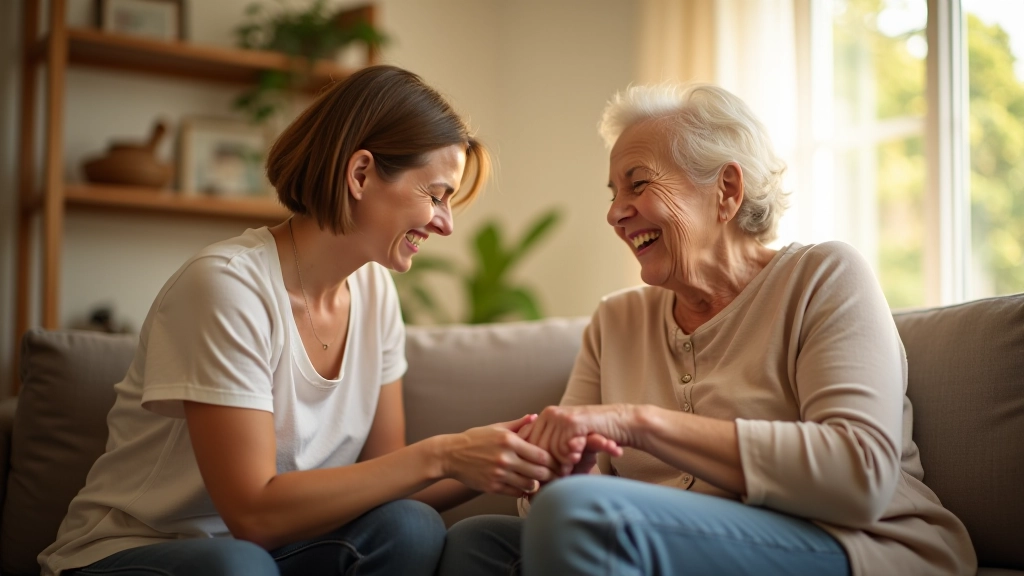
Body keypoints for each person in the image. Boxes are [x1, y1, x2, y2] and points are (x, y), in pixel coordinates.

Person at [39, 65, 561, 576]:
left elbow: (388, 481)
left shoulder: (376, 292)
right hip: (135, 553)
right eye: (436, 195)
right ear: (360, 174)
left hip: (272, 554)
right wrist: (443, 453)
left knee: (410, 525)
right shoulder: (227, 286)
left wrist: (508, 458)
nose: (446, 224)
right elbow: (252, 513)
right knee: (235, 565)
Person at [437, 83, 977, 576]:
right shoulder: (617, 321)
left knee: (582, 516)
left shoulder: (824, 276)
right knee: (479, 541)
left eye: (638, 184)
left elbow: (860, 475)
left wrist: (637, 423)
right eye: (612, 193)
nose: (615, 214)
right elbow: (569, 501)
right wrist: (557, 474)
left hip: (851, 543)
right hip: (683, 548)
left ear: (726, 188)